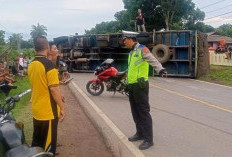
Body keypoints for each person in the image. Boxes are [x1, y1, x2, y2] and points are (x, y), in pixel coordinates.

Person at [123, 32, 167, 150]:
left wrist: (161, 70)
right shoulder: (131, 53)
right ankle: (140, 133)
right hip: (132, 86)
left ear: (130, 39)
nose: (124, 42)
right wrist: (127, 83)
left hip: (140, 86)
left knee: (143, 112)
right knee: (135, 112)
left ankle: (148, 139)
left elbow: (153, 60)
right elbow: (131, 69)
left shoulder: (142, 49)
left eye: (125, 40)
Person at [28, 36, 65, 156]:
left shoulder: (31, 64)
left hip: (37, 109)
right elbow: (53, 89)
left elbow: (37, 86)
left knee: (37, 142)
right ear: (47, 47)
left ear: (35, 48)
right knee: (48, 146)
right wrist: (62, 108)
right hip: (48, 112)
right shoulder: (49, 65)